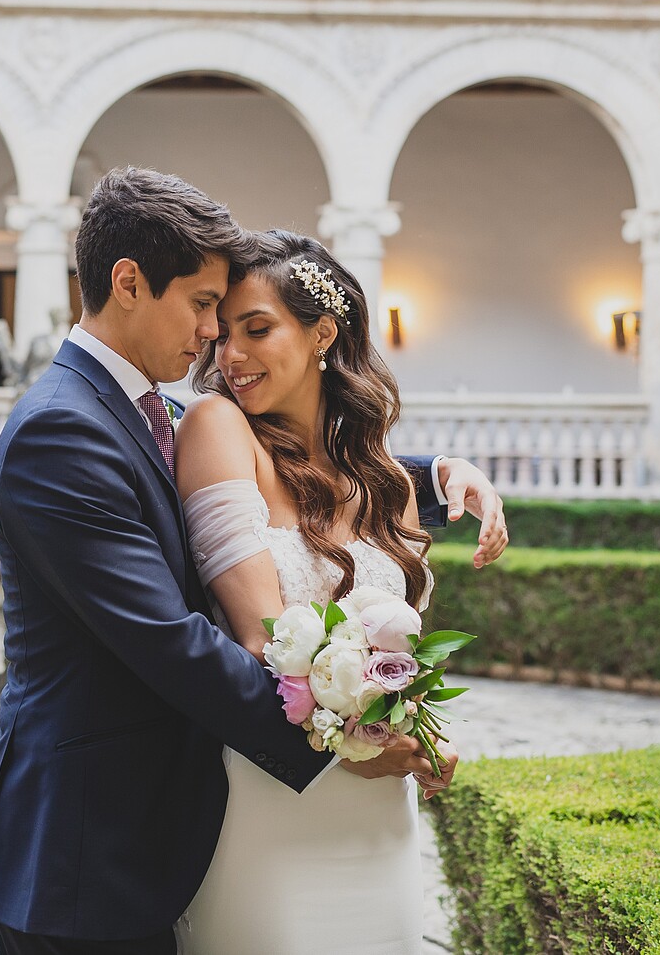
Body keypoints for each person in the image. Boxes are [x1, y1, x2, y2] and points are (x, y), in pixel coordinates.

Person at [0, 167, 508, 955]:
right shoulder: (63, 431)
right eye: (203, 307)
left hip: (163, 832)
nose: (212, 338)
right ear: (127, 283)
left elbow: (297, 471)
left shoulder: (147, 410)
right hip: (85, 849)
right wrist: (339, 739)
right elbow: (171, 639)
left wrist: (436, 474)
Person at [176, 230, 441, 954]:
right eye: (221, 335)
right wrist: (358, 744)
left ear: (323, 331)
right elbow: (264, 639)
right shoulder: (216, 426)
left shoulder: (387, 482)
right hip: (277, 792)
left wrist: (416, 734)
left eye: (256, 330)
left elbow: (400, 649)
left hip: (383, 807)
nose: (230, 357)